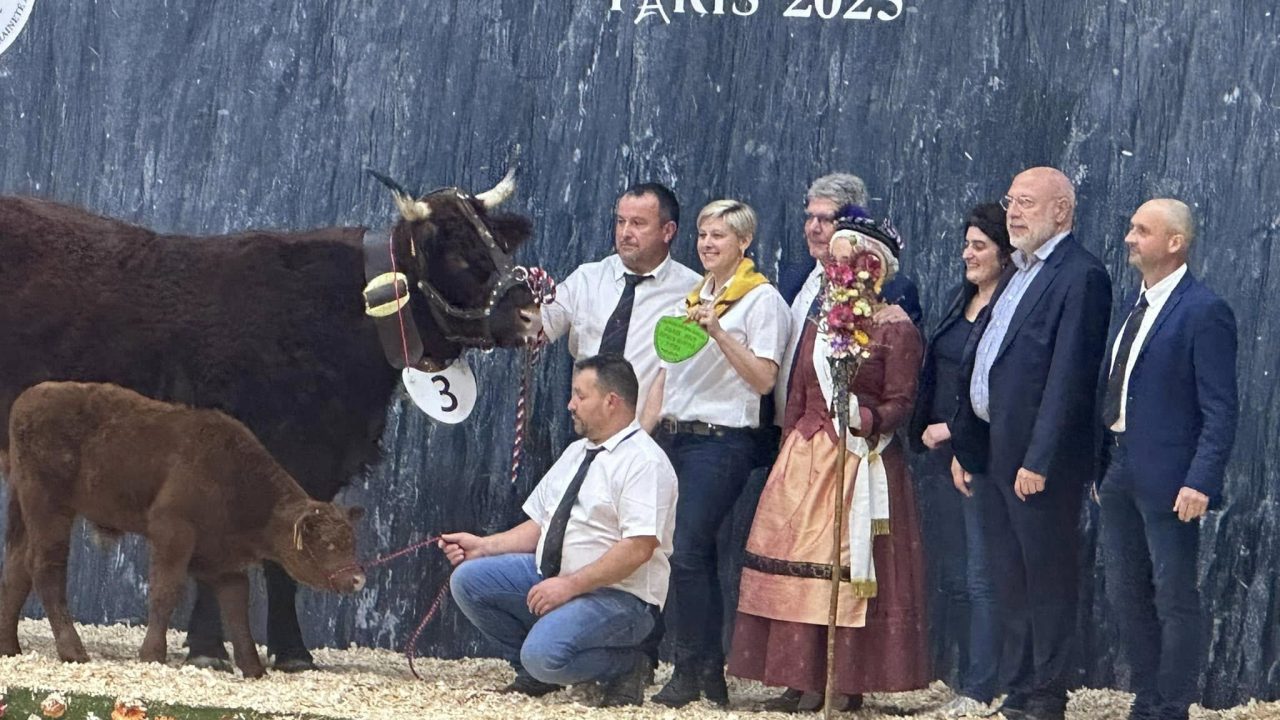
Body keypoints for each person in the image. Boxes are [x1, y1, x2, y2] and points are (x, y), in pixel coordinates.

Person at [728, 217, 929, 713]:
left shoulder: (895, 327)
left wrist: (868, 417)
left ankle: (841, 680)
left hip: (862, 459)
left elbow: (902, 400)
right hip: (806, 455)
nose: (834, 268)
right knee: (795, 570)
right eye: (832, 260)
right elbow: (799, 390)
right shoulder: (821, 324)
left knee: (845, 568)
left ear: (873, 267)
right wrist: (790, 448)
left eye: (846, 260)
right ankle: (797, 677)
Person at [949, 167, 1112, 720]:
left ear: (1062, 212)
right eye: (1010, 201)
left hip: (1037, 462)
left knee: (1046, 578)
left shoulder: (1080, 275)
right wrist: (967, 447)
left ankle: (1047, 694)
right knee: (1009, 577)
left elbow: (1071, 376)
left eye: (1026, 203)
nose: (1013, 212)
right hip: (994, 450)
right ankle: (1018, 687)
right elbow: (987, 357)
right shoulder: (1020, 271)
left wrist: (1039, 460)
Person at [439, 355, 678, 707]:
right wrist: (484, 547)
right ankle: (532, 673)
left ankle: (627, 665)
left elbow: (638, 548)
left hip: (619, 598)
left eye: (580, 396)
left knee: (545, 657)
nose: (571, 405)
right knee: (468, 580)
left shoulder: (645, 461)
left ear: (611, 401)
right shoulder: (576, 452)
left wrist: (569, 586)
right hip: (555, 577)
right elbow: (541, 523)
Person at [637, 200, 791, 707]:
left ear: (743, 243)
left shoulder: (760, 300)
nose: (707, 243)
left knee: (690, 546)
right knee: (685, 553)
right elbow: (666, 374)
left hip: (722, 440)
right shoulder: (692, 297)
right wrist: (640, 436)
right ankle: (705, 673)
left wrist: (719, 331)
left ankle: (691, 668)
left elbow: (764, 377)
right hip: (676, 436)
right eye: (703, 234)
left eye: (719, 235)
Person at [1097, 199, 1237, 720]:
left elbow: (1220, 407)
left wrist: (1200, 479)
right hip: (1119, 469)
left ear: (1175, 242)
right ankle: (1147, 695)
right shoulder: (1134, 308)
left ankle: (1172, 704)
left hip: (1172, 478)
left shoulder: (1203, 310)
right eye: (1131, 227)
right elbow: (1115, 389)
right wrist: (1101, 467)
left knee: (1174, 594)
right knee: (1125, 591)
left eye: (1142, 230)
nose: (1130, 238)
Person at [907, 203, 1012, 717]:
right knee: (955, 574)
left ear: (1004, 251)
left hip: (980, 453)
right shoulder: (961, 298)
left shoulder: (1011, 306)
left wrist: (959, 435)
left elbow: (1002, 388)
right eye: (966, 245)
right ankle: (963, 679)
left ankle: (982, 686)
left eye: (979, 246)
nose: (967, 254)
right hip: (939, 454)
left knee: (981, 573)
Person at [542, 182, 703, 417]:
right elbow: (536, 328)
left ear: (667, 231)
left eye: (638, 223)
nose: (625, 232)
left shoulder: (693, 292)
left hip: (653, 436)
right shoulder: (587, 278)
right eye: (620, 221)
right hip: (587, 429)